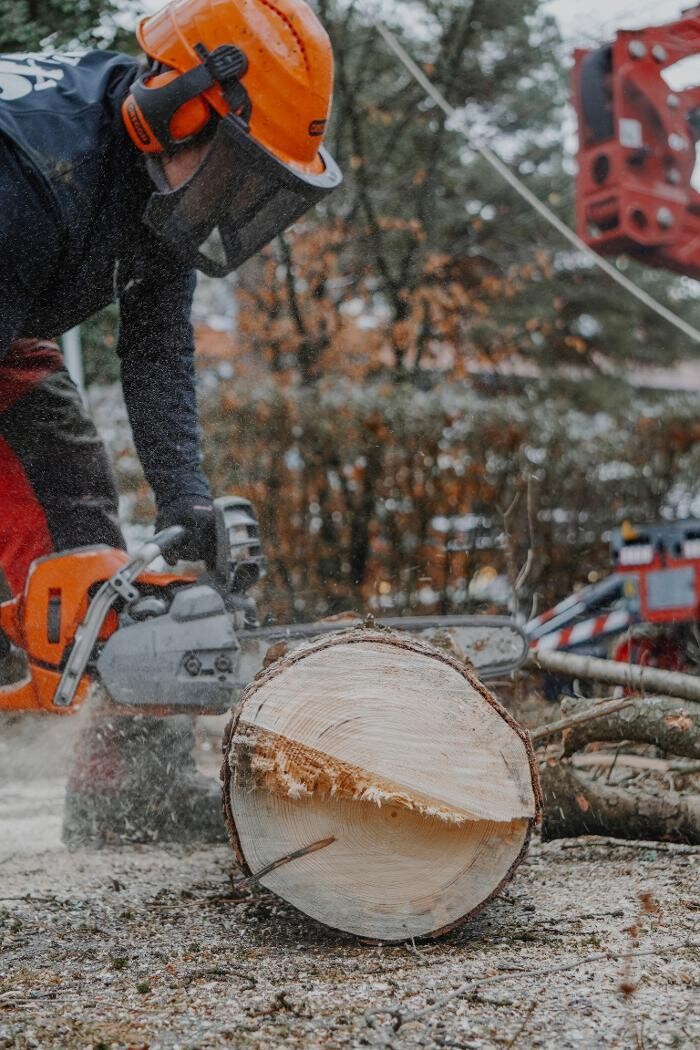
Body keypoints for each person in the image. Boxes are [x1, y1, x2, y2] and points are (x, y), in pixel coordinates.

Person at [0, 0, 341, 846]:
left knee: (86, 546)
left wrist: (185, 498)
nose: (234, 193)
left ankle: (126, 791)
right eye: (233, 165)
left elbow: (155, 351)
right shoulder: (31, 179)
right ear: (178, 102)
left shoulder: (155, 197)